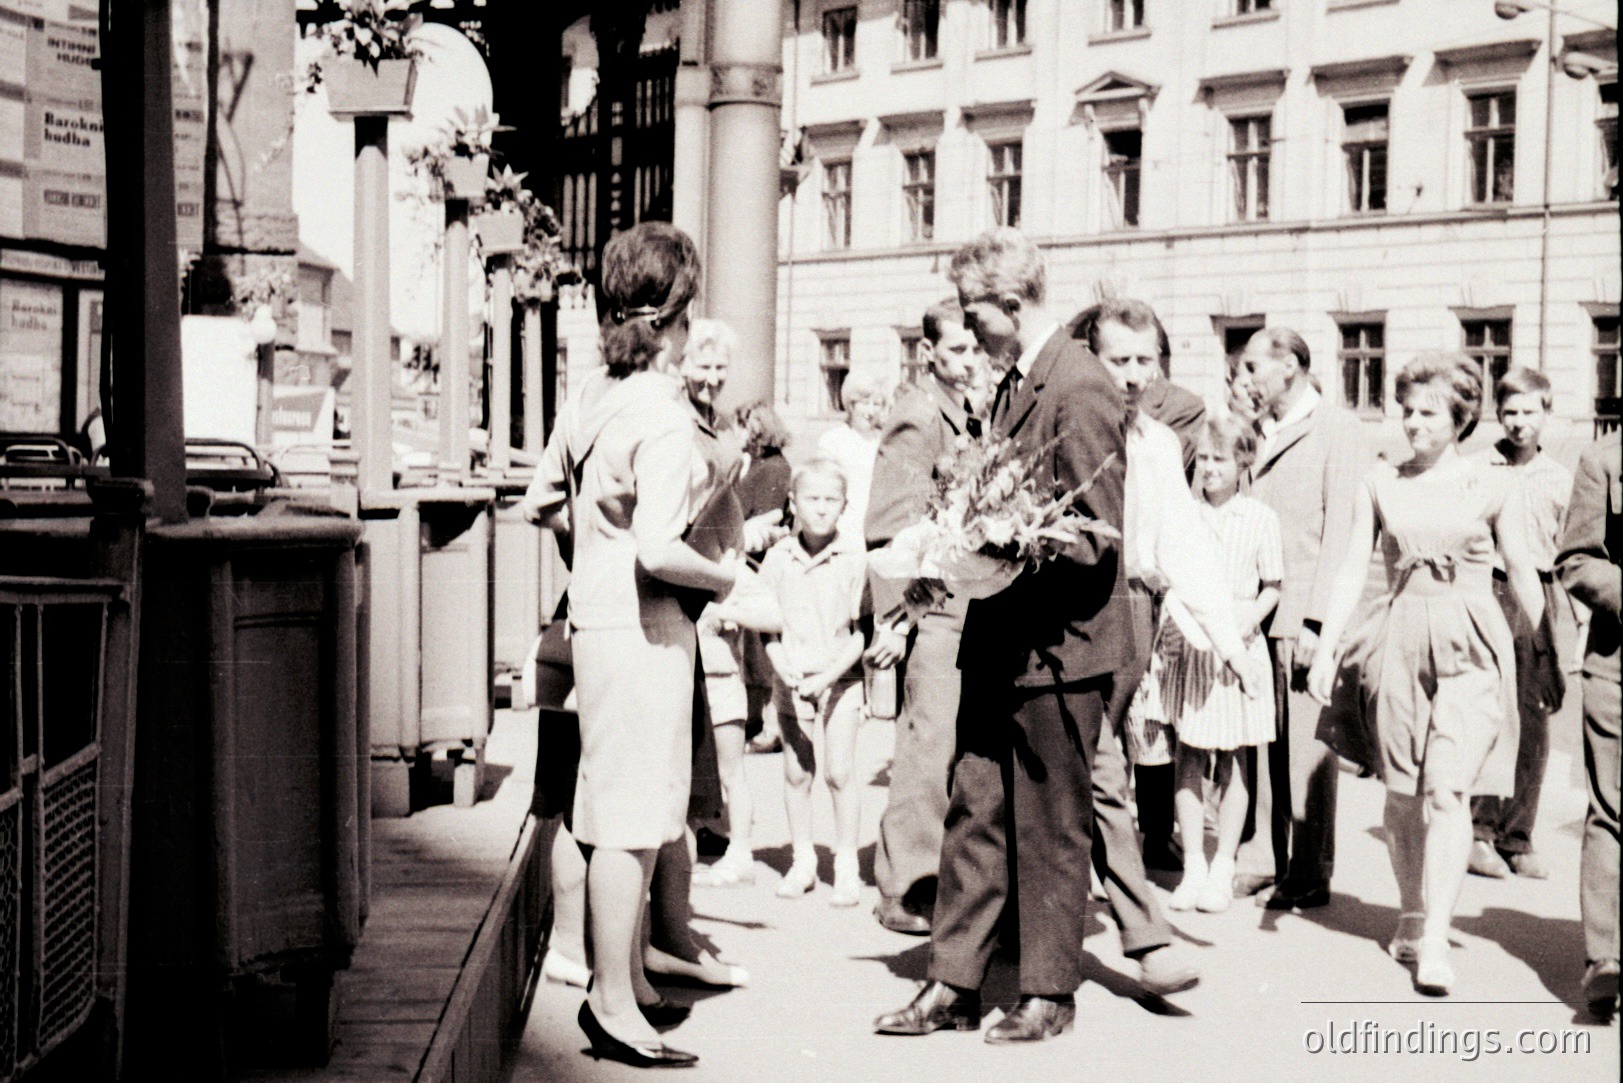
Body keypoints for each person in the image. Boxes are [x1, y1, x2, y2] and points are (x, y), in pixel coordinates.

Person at [874, 228, 1130, 1044]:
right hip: (999, 639)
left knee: (1052, 821)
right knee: (972, 810)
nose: (970, 331)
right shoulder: (1019, 382)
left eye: (977, 315)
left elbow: (1100, 534)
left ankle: (1049, 990)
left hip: (1059, 650)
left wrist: (1008, 541)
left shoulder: (1080, 383)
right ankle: (952, 981)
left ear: (1013, 306)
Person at [520, 222, 737, 1068]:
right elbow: (658, 546)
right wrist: (723, 579)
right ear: (672, 317)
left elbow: (543, 496)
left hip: (595, 620)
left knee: (609, 807)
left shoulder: (590, 393)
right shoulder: (662, 411)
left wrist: (591, 547)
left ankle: (624, 980)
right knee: (634, 821)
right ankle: (613, 1001)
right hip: (646, 627)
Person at [1307, 353, 1541, 997]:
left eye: (1427, 413)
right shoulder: (1380, 481)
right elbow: (1353, 568)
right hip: (1397, 642)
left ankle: (1436, 936)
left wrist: (1542, 647)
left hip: (1472, 642)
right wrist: (1328, 649)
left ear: (1460, 417)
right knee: (1404, 793)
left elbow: (1521, 570)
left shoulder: (1495, 484)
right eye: (1406, 410)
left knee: (1447, 790)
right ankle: (1411, 912)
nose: (1412, 424)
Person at [1085, 298, 1255, 990]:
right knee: (1094, 775)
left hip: (1132, 610)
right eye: (1117, 359)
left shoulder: (1155, 442)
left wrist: (1231, 646)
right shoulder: (1069, 426)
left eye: (1144, 360)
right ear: (1088, 359)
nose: (1131, 375)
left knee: (1102, 771)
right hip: (1070, 611)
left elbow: (1182, 542)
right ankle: (1143, 937)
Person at [865, 298, 989, 934]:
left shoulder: (975, 407)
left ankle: (947, 877)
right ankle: (905, 884)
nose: (972, 359)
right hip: (936, 607)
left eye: (977, 347)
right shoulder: (918, 414)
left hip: (977, 602)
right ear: (930, 353)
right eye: (960, 350)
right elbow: (888, 528)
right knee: (928, 744)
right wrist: (901, 621)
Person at [1233, 327, 1367, 908]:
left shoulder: (1339, 430)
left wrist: (1319, 624)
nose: (1246, 379)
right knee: (1260, 742)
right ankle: (1265, 856)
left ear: (1290, 367)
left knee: (1306, 748)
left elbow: (1341, 531)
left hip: (1300, 611)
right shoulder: (1259, 429)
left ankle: (1310, 870)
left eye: (1254, 368)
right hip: (1254, 607)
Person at [1143, 415, 1282, 914]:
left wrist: (1246, 620)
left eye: (1220, 459)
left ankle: (1224, 865)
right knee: (1189, 757)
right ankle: (1194, 867)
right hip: (1191, 649)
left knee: (1238, 760)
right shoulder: (1185, 515)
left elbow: (1273, 587)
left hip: (1240, 652)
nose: (1209, 468)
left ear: (1243, 462)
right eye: (1203, 458)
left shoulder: (1260, 519)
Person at [1468, 368, 1572, 881]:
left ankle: (1518, 835)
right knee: (1493, 711)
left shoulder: (1560, 478)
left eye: (1530, 412)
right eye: (1510, 411)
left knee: (1535, 716)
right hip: (1491, 588)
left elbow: (1569, 551)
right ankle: (1480, 831)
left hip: (1542, 594)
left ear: (1546, 414)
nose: (1519, 422)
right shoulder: (1480, 467)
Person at [759, 459, 871, 905]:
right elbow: (766, 625)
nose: (822, 509)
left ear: (844, 506)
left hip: (840, 678)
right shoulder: (777, 558)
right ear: (793, 503)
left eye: (831, 500)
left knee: (840, 772)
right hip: (790, 677)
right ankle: (802, 861)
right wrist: (779, 663)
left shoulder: (854, 559)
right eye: (812, 499)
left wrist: (828, 676)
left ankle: (846, 865)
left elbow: (864, 631)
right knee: (796, 771)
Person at [1555, 432, 1621, 1021]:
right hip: (1617, 663)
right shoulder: (1605, 458)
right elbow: (1575, 560)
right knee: (1611, 809)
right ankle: (1605, 959)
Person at [733, 403, 794, 754]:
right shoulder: (753, 465)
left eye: (740, 427)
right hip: (747, 560)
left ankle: (770, 727)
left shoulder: (772, 469)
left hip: (761, 564)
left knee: (763, 651)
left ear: (755, 428)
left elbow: (765, 515)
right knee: (753, 651)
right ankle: (757, 720)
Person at [818, 369, 890, 541]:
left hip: (879, 531)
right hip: (844, 531)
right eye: (864, 403)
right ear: (851, 405)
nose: (871, 411)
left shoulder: (884, 442)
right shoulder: (832, 442)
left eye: (877, 404)